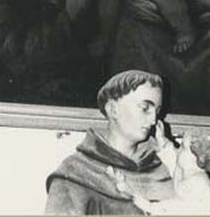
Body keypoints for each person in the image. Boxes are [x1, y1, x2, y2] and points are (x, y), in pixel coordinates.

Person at [45, 70, 175, 215]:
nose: (153, 120)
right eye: (145, 109)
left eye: (157, 111)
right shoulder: (75, 173)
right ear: (113, 110)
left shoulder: (167, 166)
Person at [108, 122, 210, 215]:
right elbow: (172, 160)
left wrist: (149, 205)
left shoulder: (199, 182)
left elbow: (176, 208)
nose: (178, 150)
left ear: (197, 158)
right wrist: (161, 139)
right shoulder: (186, 170)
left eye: (182, 147)